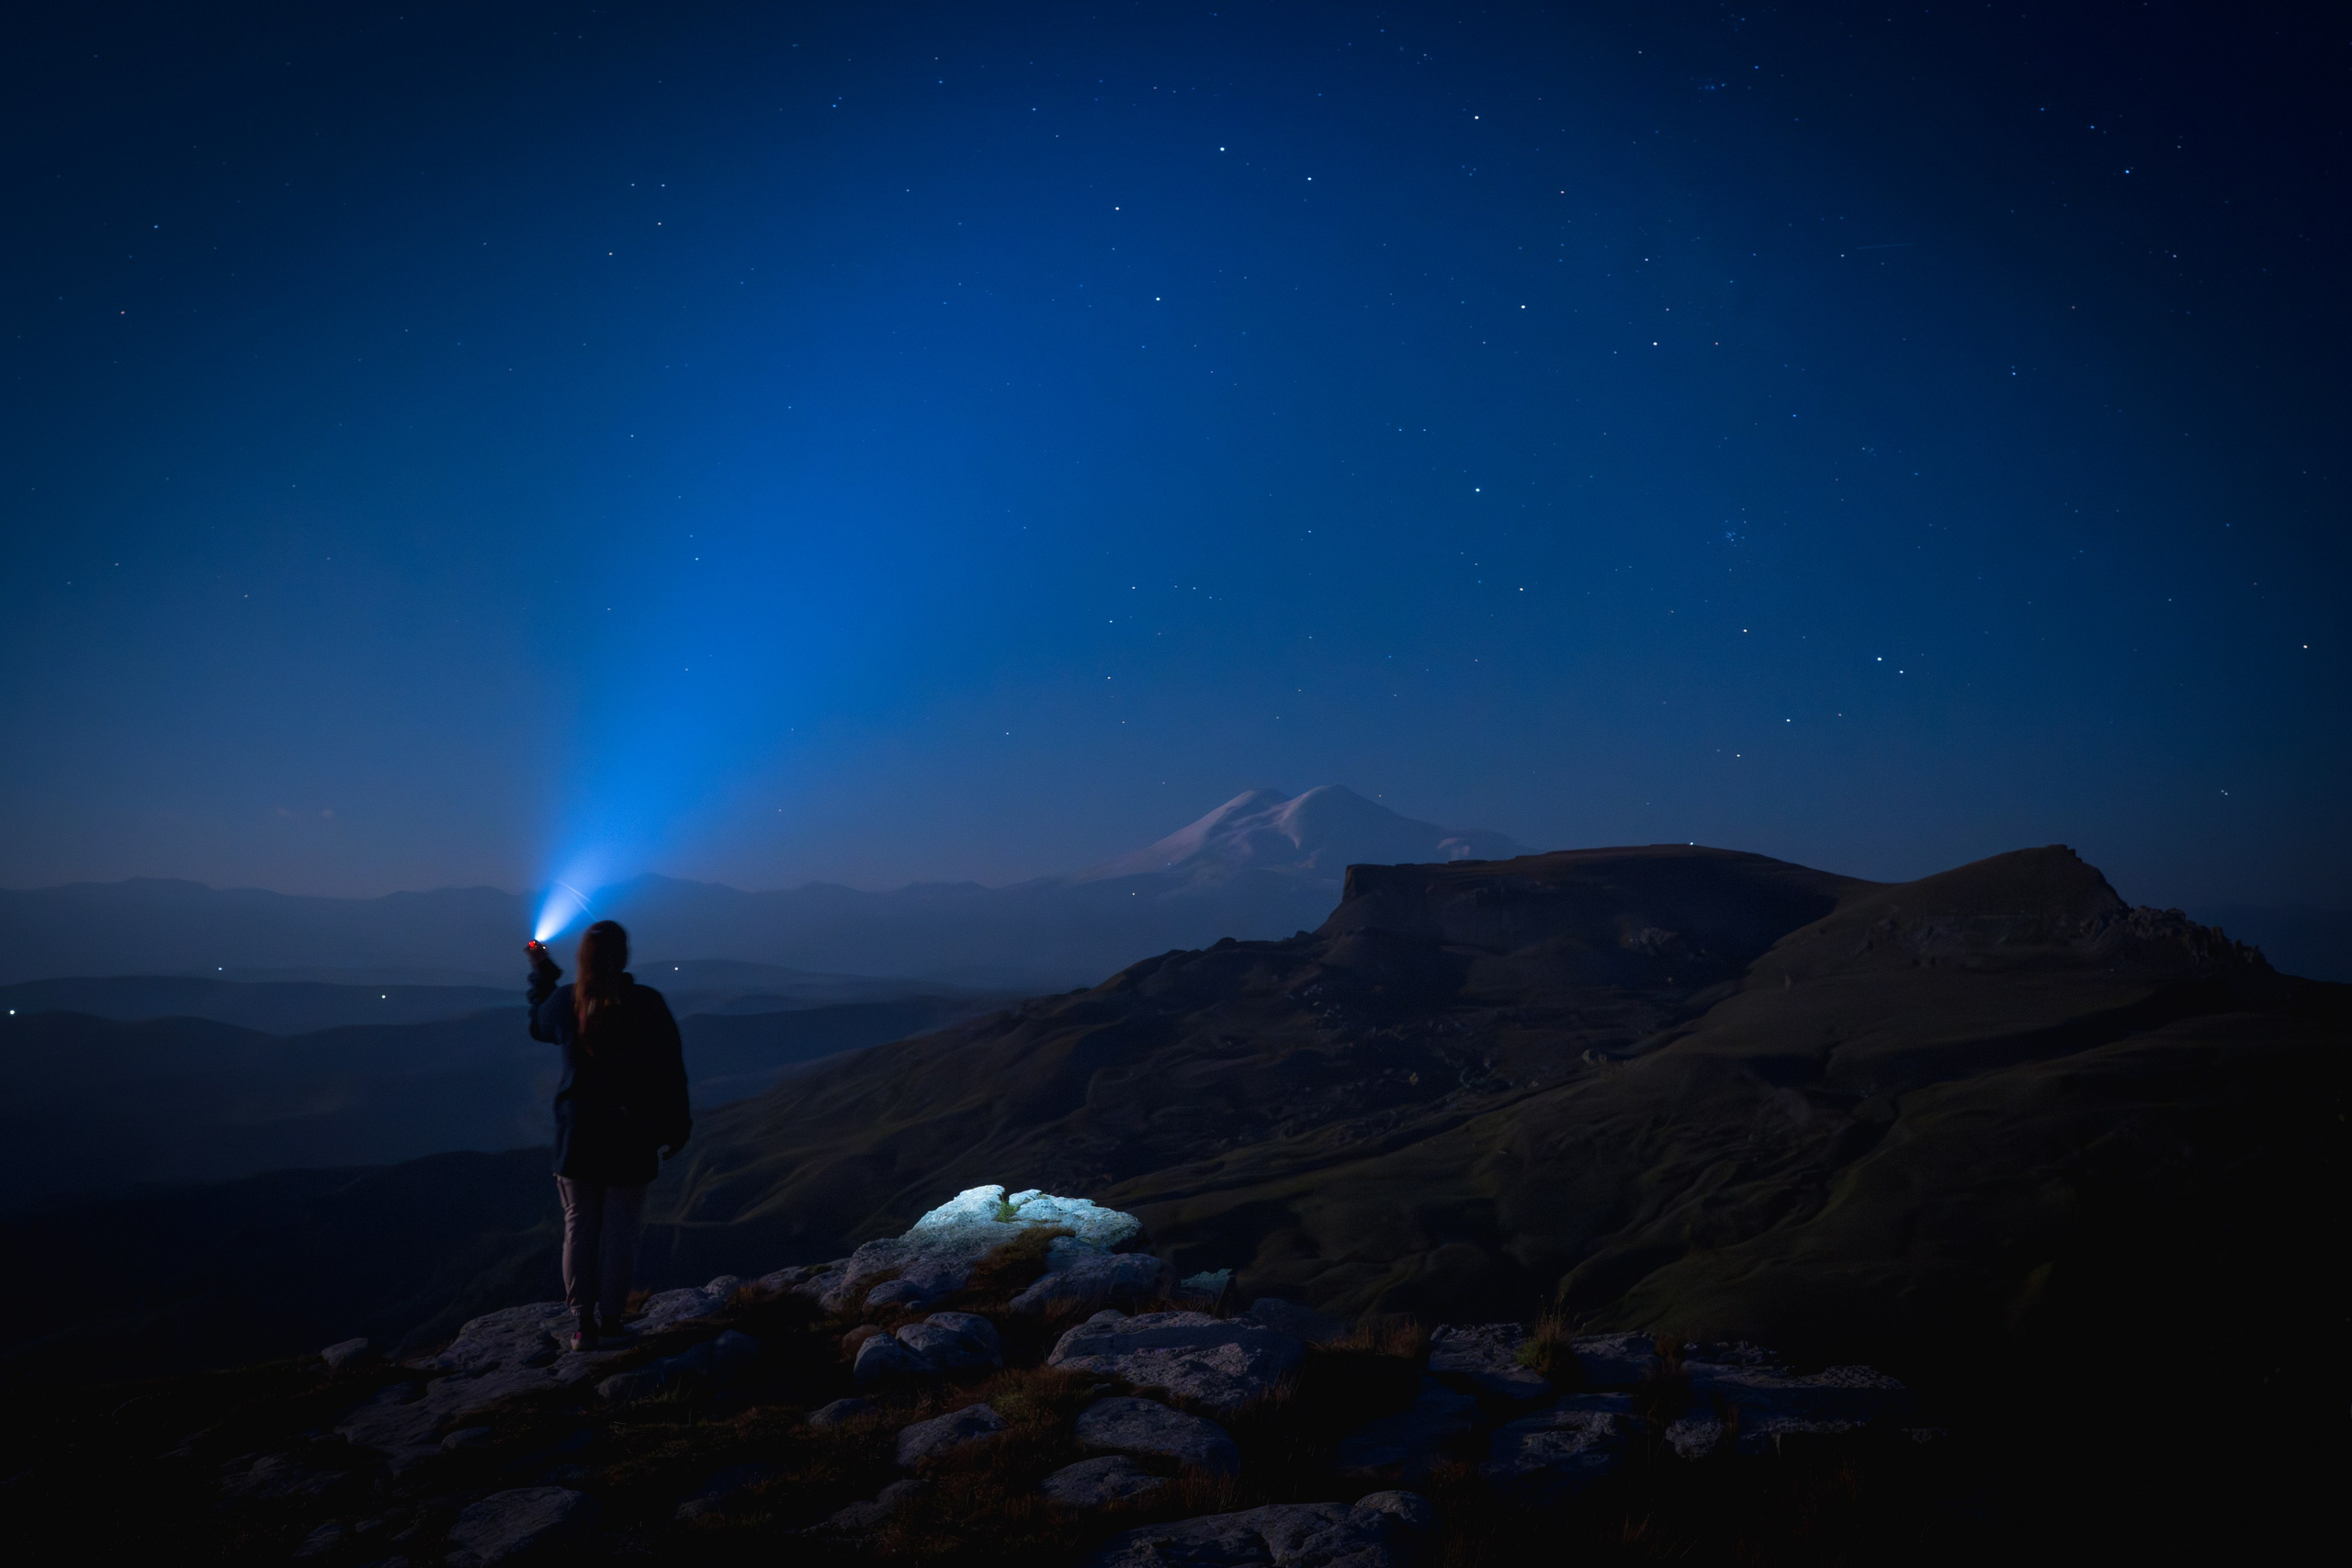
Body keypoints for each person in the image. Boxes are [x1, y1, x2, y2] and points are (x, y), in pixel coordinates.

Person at [526, 919, 691, 1351]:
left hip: (578, 1135)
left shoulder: (566, 1004)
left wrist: (542, 972)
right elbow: (672, 1072)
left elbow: (539, 1025)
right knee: (620, 1230)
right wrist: (676, 1127)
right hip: (631, 1133)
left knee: (579, 1227)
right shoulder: (647, 1004)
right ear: (624, 955)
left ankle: (583, 1326)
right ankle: (613, 1321)